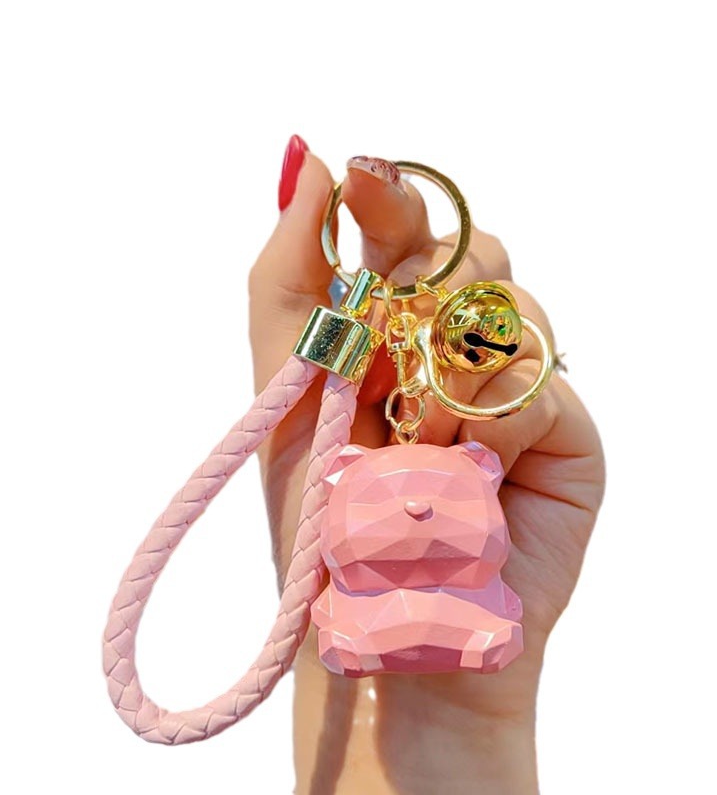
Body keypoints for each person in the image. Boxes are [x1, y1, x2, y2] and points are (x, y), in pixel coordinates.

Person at [249, 135, 606, 794]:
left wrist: (459, 746)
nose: (416, 508)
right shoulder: (338, 470)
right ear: (340, 473)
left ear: (483, 468)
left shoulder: (474, 473)